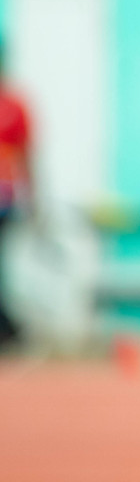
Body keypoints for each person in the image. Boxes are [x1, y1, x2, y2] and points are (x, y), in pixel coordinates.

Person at [0, 41, 32, 349]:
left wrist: (32, 197)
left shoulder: (14, 105)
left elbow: (26, 154)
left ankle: (6, 326)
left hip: (4, 196)